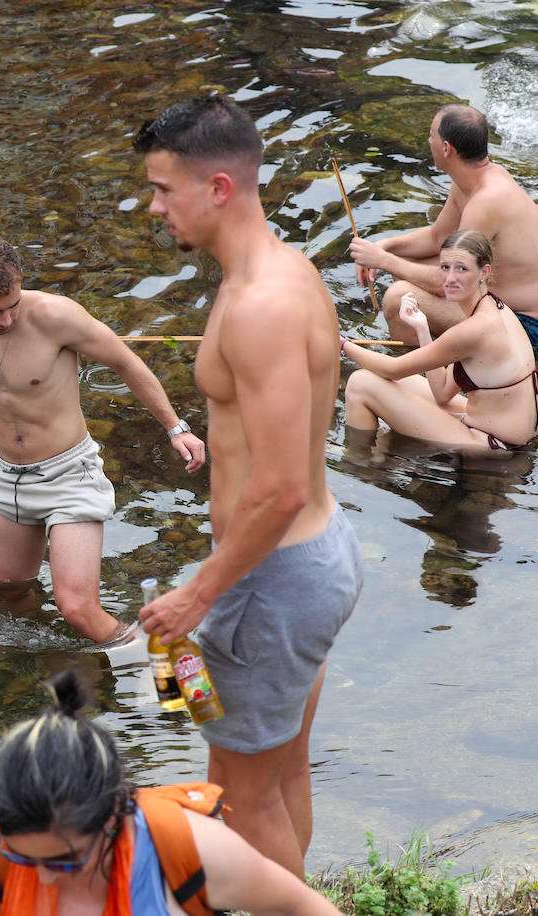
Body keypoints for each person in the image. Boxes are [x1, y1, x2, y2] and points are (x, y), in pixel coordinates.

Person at [133, 95, 363, 877]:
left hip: (271, 580)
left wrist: (199, 593)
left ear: (219, 188)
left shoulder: (260, 305)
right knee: (280, 770)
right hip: (307, 565)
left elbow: (280, 488)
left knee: (237, 795)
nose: (154, 205)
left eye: (164, 189)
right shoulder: (281, 270)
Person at [0, 236, 206, 645]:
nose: (5, 320)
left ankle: (156, 663)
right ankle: (56, 660)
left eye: (12, 306)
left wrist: (176, 428)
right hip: (6, 476)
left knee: (78, 610)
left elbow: (125, 362)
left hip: (69, 475)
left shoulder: (57, 317)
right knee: (6, 586)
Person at [0, 671, 344, 916]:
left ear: (112, 816)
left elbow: (297, 907)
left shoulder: (187, 851)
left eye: (62, 860)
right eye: (23, 859)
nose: (42, 880)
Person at [347, 103, 538, 349]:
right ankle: (443, 354)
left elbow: (445, 281)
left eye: (432, 136)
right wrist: (384, 247)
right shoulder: (475, 179)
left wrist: (384, 261)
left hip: (523, 325)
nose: (429, 140)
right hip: (499, 302)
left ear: (446, 148)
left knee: (397, 298)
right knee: (408, 270)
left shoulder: (486, 201)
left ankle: (417, 375)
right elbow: (437, 238)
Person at [343, 229, 538, 453]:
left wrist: (340, 344)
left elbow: (394, 369)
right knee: (382, 379)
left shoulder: (475, 329)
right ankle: (381, 452)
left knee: (360, 384)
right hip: (500, 430)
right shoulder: (496, 308)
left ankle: (361, 462)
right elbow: (442, 393)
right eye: (445, 268)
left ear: (484, 272)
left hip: (493, 446)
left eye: (462, 269)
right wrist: (421, 328)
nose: (450, 278)